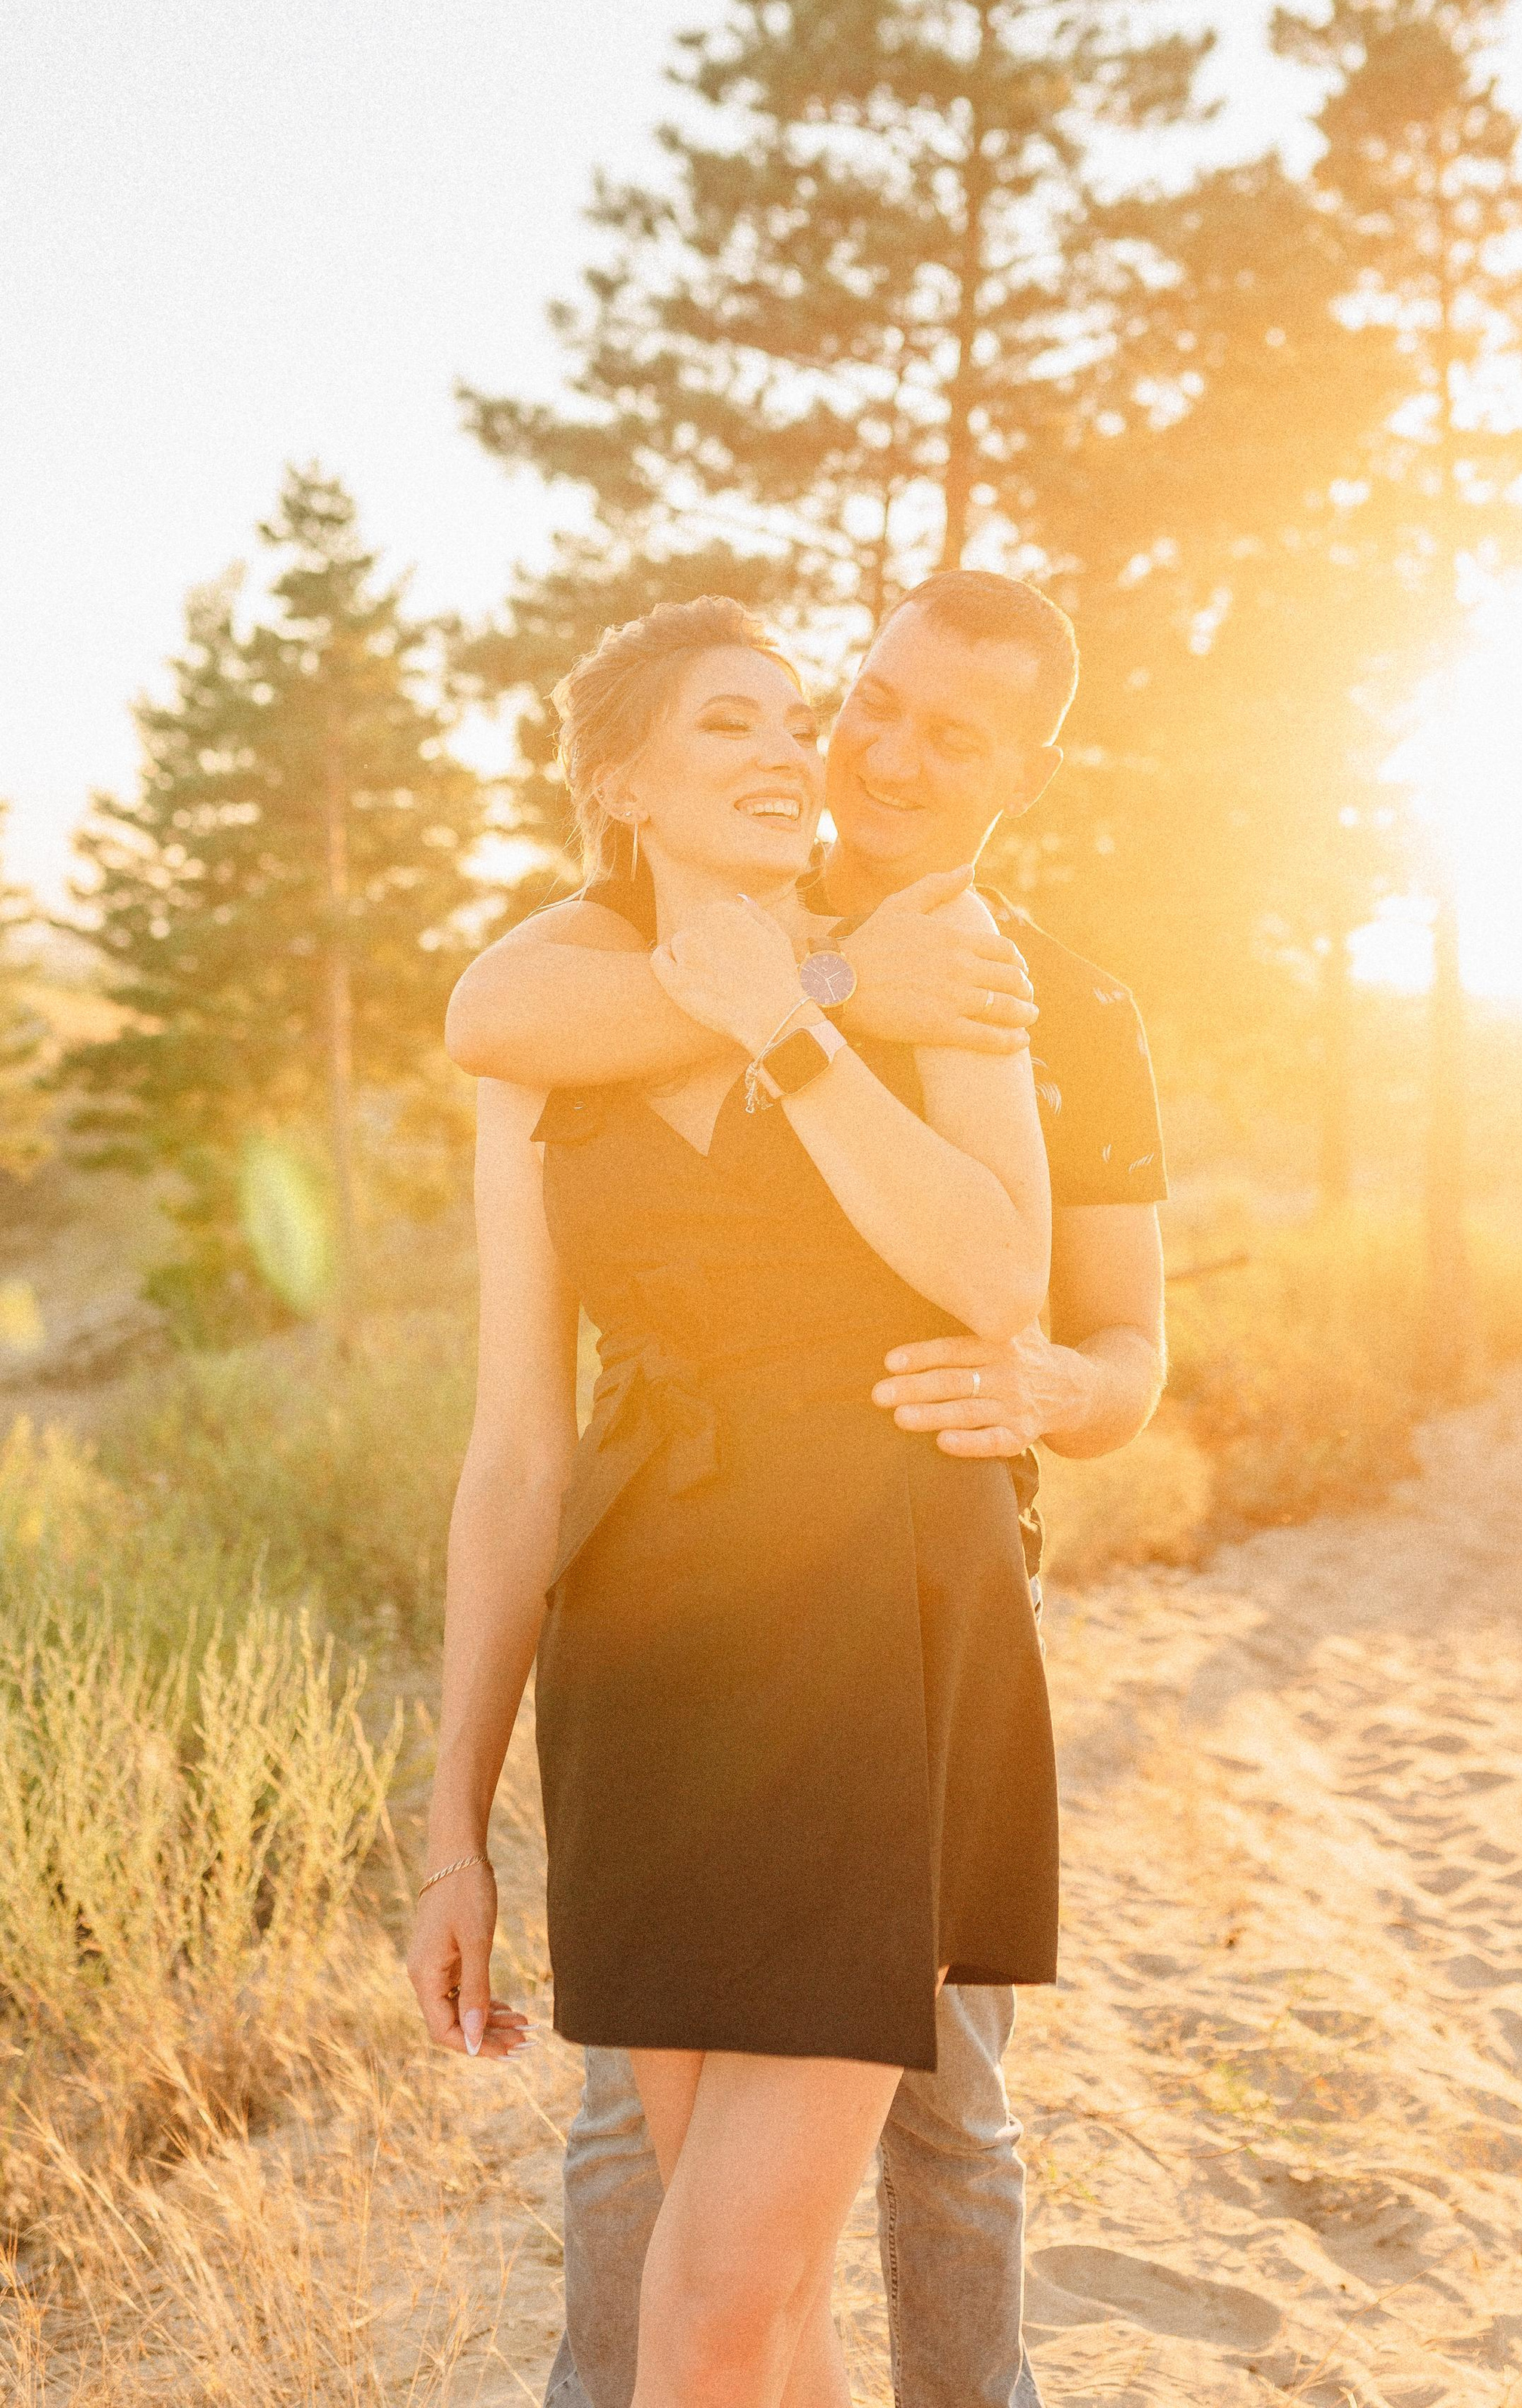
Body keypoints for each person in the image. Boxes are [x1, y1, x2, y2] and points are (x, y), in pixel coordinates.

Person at [440, 572, 1168, 2408]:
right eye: (845, 706)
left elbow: (1068, 1318)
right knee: (728, 2277)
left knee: (916, 2158)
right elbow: (515, 1431)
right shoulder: (586, 985)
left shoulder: (992, 972)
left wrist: (1051, 1386)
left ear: (1025, 768)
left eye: (945, 731)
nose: (849, 751)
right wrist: (452, 1825)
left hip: (883, 1616)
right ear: (624, 785)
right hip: (654, 1649)